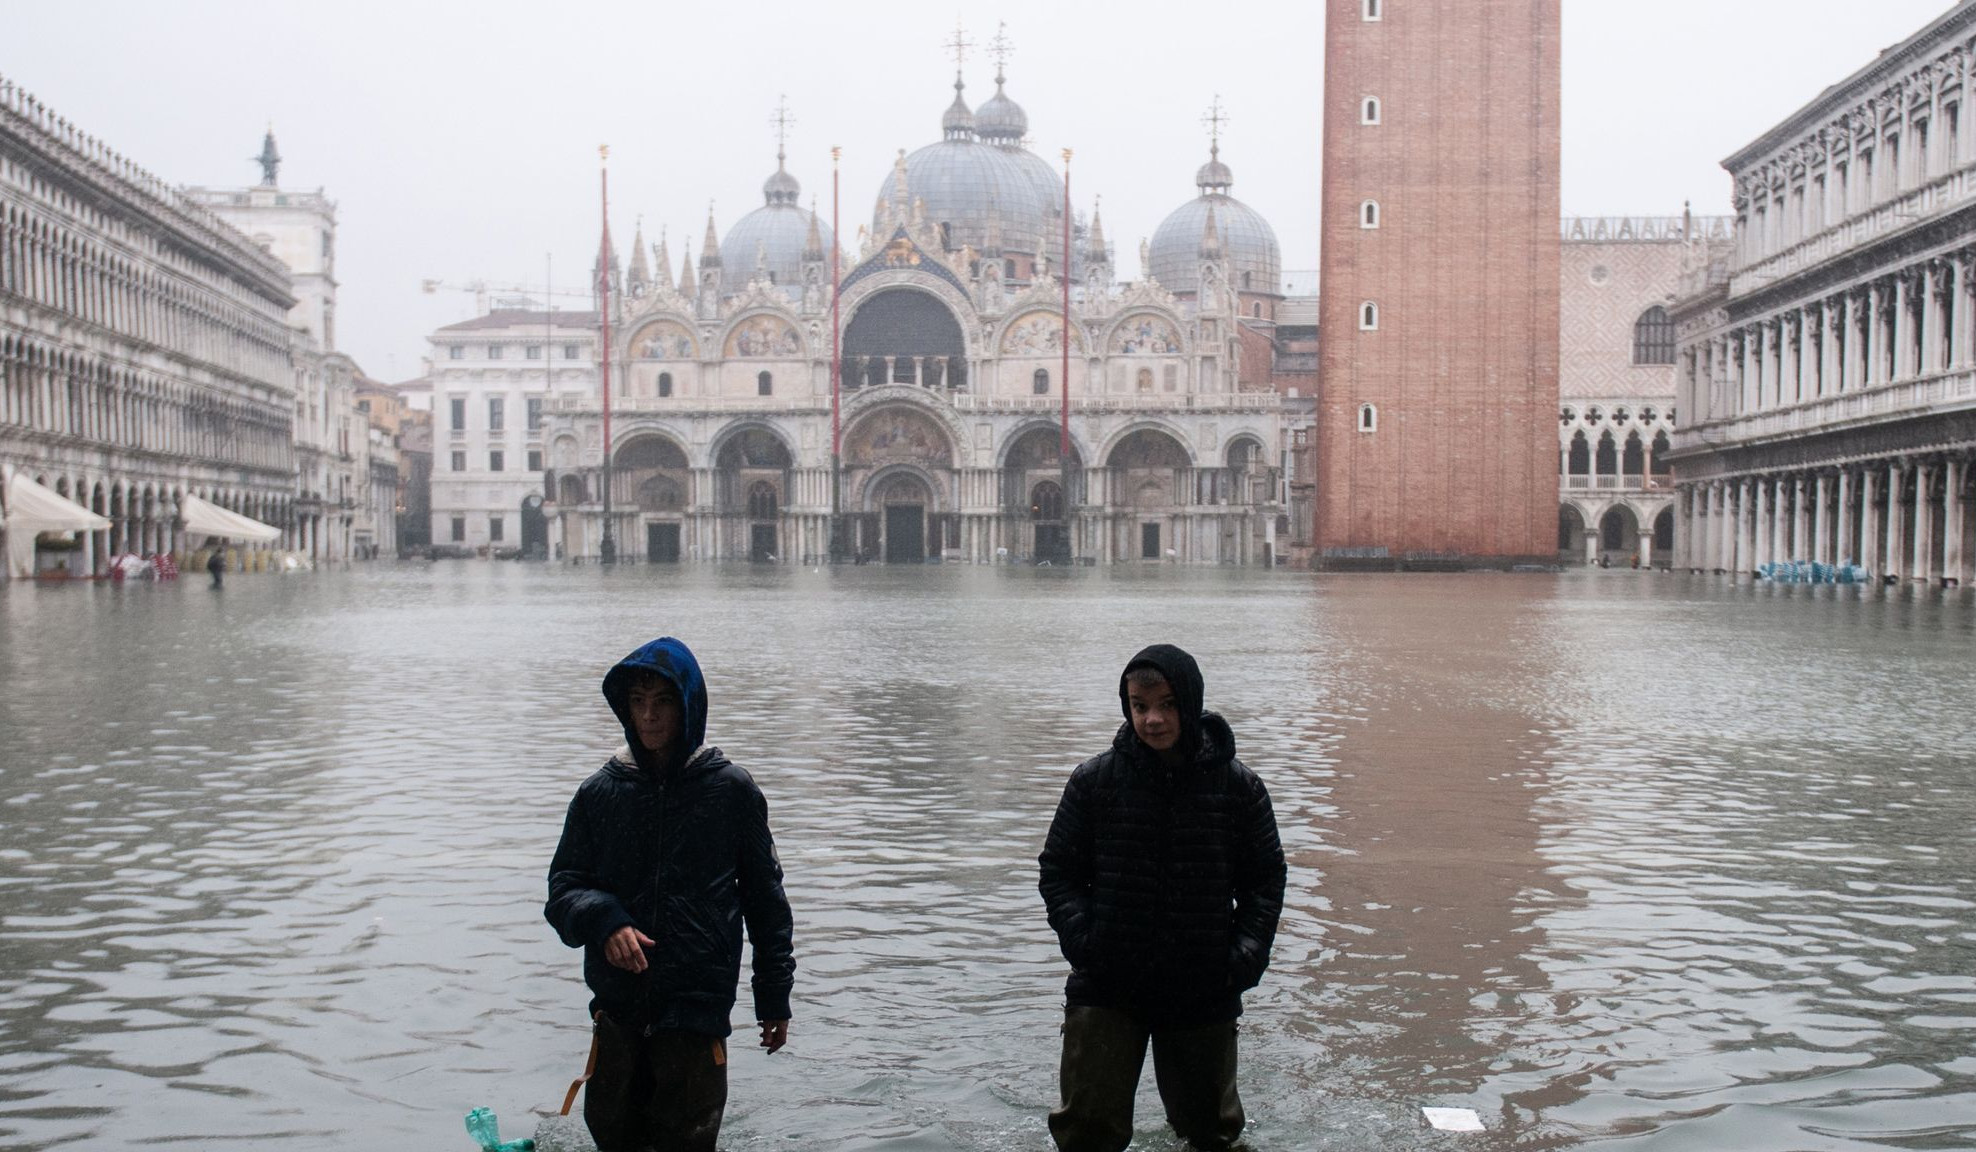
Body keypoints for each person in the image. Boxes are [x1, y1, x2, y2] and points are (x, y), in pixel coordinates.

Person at [546, 637, 795, 1152]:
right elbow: (564, 889)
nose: (649, 717)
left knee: (688, 1139)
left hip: (696, 1007)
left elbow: (766, 902)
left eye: (662, 702)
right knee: (615, 1137)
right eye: (638, 703)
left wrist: (773, 997)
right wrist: (607, 921)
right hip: (618, 1007)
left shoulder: (730, 791)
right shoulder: (600, 793)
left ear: (687, 707)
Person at [1038, 644, 1286, 1152]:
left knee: (1210, 1135)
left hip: (1202, 985)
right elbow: (1058, 872)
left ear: (1190, 703)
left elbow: (1265, 882)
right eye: (1139, 705)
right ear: (1126, 706)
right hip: (1108, 984)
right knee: (1086, 1133)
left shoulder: (1240, 789)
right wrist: (1086, 944)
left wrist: (1242, 958)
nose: (1152, 719)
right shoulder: (1093, 782)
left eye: (1167, 704)